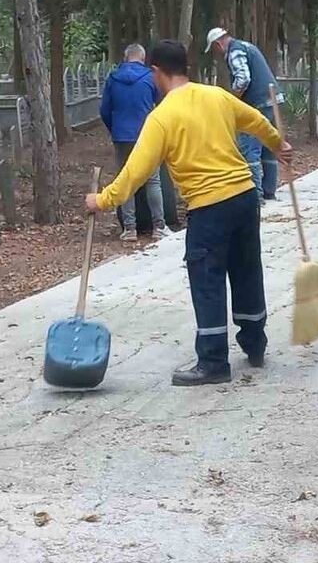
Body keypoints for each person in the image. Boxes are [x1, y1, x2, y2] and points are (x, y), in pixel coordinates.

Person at [85, 40, 292, 386]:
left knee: (207, 279)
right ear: (186, 67)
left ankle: (213, 362)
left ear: (155, 72)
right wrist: (278, 144)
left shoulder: (162, 117)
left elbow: (135, 172)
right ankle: (255, 344)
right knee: (246, 270)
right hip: (244, 196)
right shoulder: (217, 96)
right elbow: (256, 119)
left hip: (209, 208)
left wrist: (102, 200)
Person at [100, 43, 168, 242]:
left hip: (122, 136)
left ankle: (129, 228)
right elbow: (161, 105)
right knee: (153, 180)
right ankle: (159, 226)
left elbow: (104, 109)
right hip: (146, 134)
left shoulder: (113, 78)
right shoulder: (150, 77)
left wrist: (115, 128)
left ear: (125, 56)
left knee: (126, 180)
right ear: (143, 57)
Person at [206, 27, 281, 202]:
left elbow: (243, 78)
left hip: (258, 103)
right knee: (269, 148)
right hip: (273, 100)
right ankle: (269, 190)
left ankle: (256, 196)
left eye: (214, 50)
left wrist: (233, 100)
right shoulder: (248, 46)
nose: (216, 54)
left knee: (250, 149)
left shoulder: (235, 51)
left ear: (218, 44)